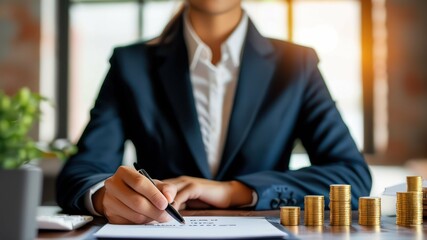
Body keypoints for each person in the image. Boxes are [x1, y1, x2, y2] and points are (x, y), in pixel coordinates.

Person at [57, 0, 372, 224]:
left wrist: (235, 192)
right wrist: (104, 198)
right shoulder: (131, 64)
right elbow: (80, 173)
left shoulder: (296, 65)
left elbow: (351, 176)